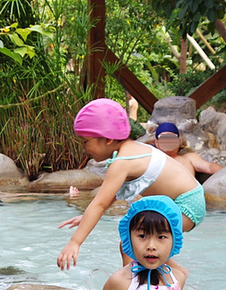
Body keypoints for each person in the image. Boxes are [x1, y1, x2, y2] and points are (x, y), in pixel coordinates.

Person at [58, 99, 204, 269]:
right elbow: (112, 194)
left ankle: (131, 286)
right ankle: (173, 274)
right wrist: (86, 218)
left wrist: (75, 242)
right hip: (188, 199)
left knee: (134, 246)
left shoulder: (123, 161)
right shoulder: (131, 150)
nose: (83, 148)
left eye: (85, 142)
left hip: (186, 204)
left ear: (107, 139)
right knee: (136, 245)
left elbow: (99, 203)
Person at [153, 122, 223, 178]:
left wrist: (225, 173)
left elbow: (209, 167)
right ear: (157, 142)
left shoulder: (189, 158)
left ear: (179, 141)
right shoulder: (151, 161)